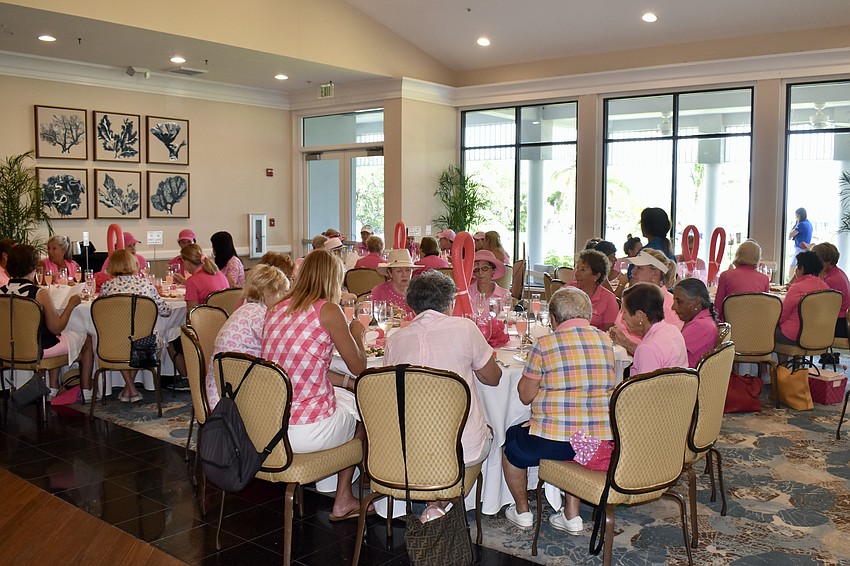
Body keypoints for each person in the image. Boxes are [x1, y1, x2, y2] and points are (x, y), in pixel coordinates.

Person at [384, 270, 501, 519]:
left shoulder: (395, 340)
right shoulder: (465, 328)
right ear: (450, 303)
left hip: (405, 451)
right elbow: (493, 378)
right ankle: (444, 502)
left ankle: (433, 500)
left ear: (411, 305)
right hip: (460, 452)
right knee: (494, 428)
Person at [261, 249, 367, 521]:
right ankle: (343, 497)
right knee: (365, 408)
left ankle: (331, 485)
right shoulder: (328, 311)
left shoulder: (275, 308)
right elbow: (359, 368)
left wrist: (345, 383)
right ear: (333, 279)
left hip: (271, 425)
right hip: (306, 430)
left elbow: (303, 365)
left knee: (346, 397)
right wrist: (358, 335)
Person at [502, 287, 617, 533]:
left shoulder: (544, 344)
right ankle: (571, 515)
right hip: (597, 442)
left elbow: (525, 396)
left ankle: (522, 511)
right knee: (574, 439)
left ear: (553, 319)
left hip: (555, 442)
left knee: (512, 443)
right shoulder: (605, 340)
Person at [1, 244, 94, 402]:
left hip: (8, 348)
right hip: (37, 350)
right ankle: (86, 391)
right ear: (34, 266)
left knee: (58, 336)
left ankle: (53, 387)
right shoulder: (39, 293)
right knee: (87, 338)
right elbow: (56, 326)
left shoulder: (2, 291)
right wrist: (71, 304)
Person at [206, 264, 289, 409]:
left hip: (220, 386)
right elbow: (278, 347)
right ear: (269, 293)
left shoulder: (245, 309)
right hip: (234, 397)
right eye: (283, 294)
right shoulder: (260, 315)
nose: (285, 300)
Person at [100, 249, 172, 403]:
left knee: (124, 342)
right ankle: (131, 387)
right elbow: (165, 312)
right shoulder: (146, 284)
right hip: (145, 342)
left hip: (113, 342)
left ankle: (129, 388)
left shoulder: (107, 286)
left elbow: (99, 312)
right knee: (139, 339)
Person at [610, 248, 683, 355]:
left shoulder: (669, 305)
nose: (633, 272)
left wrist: (626, 343)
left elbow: (662, 353)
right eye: (634, 267)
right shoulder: (633, 297)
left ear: (655, 273)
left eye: (639, 268)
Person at [613, 282, 688, 377]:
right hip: (679, 390)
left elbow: (645, 390)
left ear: (640, 315)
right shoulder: (672, 330)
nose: (622, 317)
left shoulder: (648, 347)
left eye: (625, 311)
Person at [777, 251, 830, 345]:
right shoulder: (825, 287)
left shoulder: (797, 288)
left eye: (797, 267)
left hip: (795, 336)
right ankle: (796, 359)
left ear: (802, 269)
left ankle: (782, 359)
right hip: (819, 335)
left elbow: (782, 315)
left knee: (767, 331)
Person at [713, 239, 770, 321]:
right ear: (757, 258)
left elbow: (717, 308)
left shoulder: (725, 276)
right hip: (756, 327)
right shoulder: (764, 279)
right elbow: (765, 308)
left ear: (738, 254)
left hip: (731, 326)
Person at [672, 278, 719, 368]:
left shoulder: (700, 326)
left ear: (696, 302)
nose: (673, 307)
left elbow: (666, 352)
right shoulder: (704, 321)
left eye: (679, 302)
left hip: (685, 378)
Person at [568, 248, 618, 331]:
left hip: (595, 341)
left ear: (596, 276)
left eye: (583, 270)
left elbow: (609, 331)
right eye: (577, 268)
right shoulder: (568, 291)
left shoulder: (608, 298)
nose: (577, 273)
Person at [812, 242, 850, 338]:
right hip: (840, 320)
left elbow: (816, 303)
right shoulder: (838, 273)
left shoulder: (832, 280)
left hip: (838, 324)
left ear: (828, 261)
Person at [181, 244, 230, 311]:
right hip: (226, 316)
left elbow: (191, 312)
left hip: (207, 319)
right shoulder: (219, 273)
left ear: (187, 263)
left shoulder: (192, 281)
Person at [372, 249, 417, 313]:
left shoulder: (418, 291)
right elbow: (372, 317)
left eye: (408, 270)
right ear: (390, 273)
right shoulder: (379, 291)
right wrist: (384, 312)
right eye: (399, 271)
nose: (404, 275)